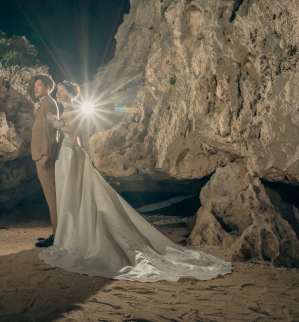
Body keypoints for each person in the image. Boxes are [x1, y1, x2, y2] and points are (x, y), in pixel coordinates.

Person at [38, 80, 232, 282]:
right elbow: (79, 137)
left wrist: (55, 124)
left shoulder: (73, 110)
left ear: (71, 95)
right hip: (69, 154)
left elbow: (73, 131)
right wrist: (82, 149)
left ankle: (76, 237)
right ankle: (71, 233)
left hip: (69, 156)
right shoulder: (68, 110)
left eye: (61, 92)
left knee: (73, 193)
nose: (59, 95)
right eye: (58, 92)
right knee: (69, 194)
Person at [29, 74, 59, 248]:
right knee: (52, 197)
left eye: (39, 85)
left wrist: (46, 154)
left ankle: (57, 236)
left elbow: (50, 129)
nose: (36, 87)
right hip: (40, 153)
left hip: (43, 155)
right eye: (35, 85)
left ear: (48, 88)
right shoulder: (45, 103)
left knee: (53, 197)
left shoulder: (48, 102)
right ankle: (56, 233)